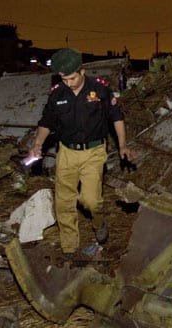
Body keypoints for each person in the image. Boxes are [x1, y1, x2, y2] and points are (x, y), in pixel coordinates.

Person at [27, 48, 133, 259]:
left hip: (93, 152)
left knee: (91, 201)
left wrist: (122, 145)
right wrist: (37, 143)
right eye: (64, 79)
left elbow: (116, 117)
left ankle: (99, 223)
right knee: (63, 202)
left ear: (82, 71)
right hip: (66, 152)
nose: (69, 83)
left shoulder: (100, 90)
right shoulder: (57, 94)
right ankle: (69, 248)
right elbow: (46, 122)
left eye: (72, 78)